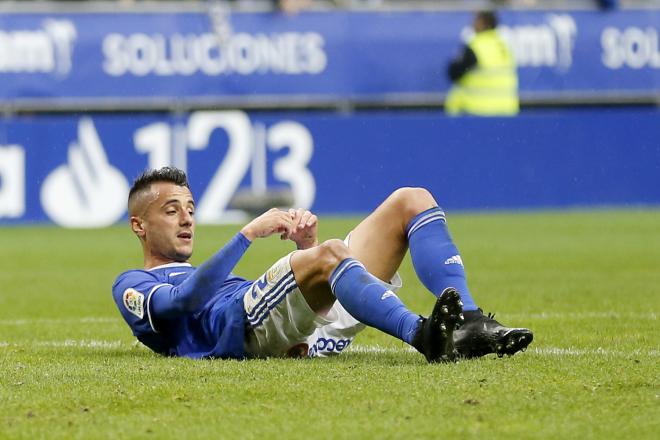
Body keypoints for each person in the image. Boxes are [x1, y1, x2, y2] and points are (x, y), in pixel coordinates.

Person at [112, 167, 533, 362]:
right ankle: (424, 336)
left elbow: (283, 289)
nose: (187, 218)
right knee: (332, 254)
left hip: (296, 328)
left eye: (189, 208)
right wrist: (249, 233)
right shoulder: (132, 284)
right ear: (139, 225)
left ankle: (471, 324)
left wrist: (305, 247)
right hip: (241, 327)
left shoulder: (203, 275)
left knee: (411, 199)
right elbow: (181, 303)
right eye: (171, 210)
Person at [445, 10, 519, 116]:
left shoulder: (476, 47)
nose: (472, 24)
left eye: (476, 20)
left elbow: (454, 73)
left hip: (478, 111)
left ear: (484, 23)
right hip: (506, 111)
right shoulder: (503, 45)